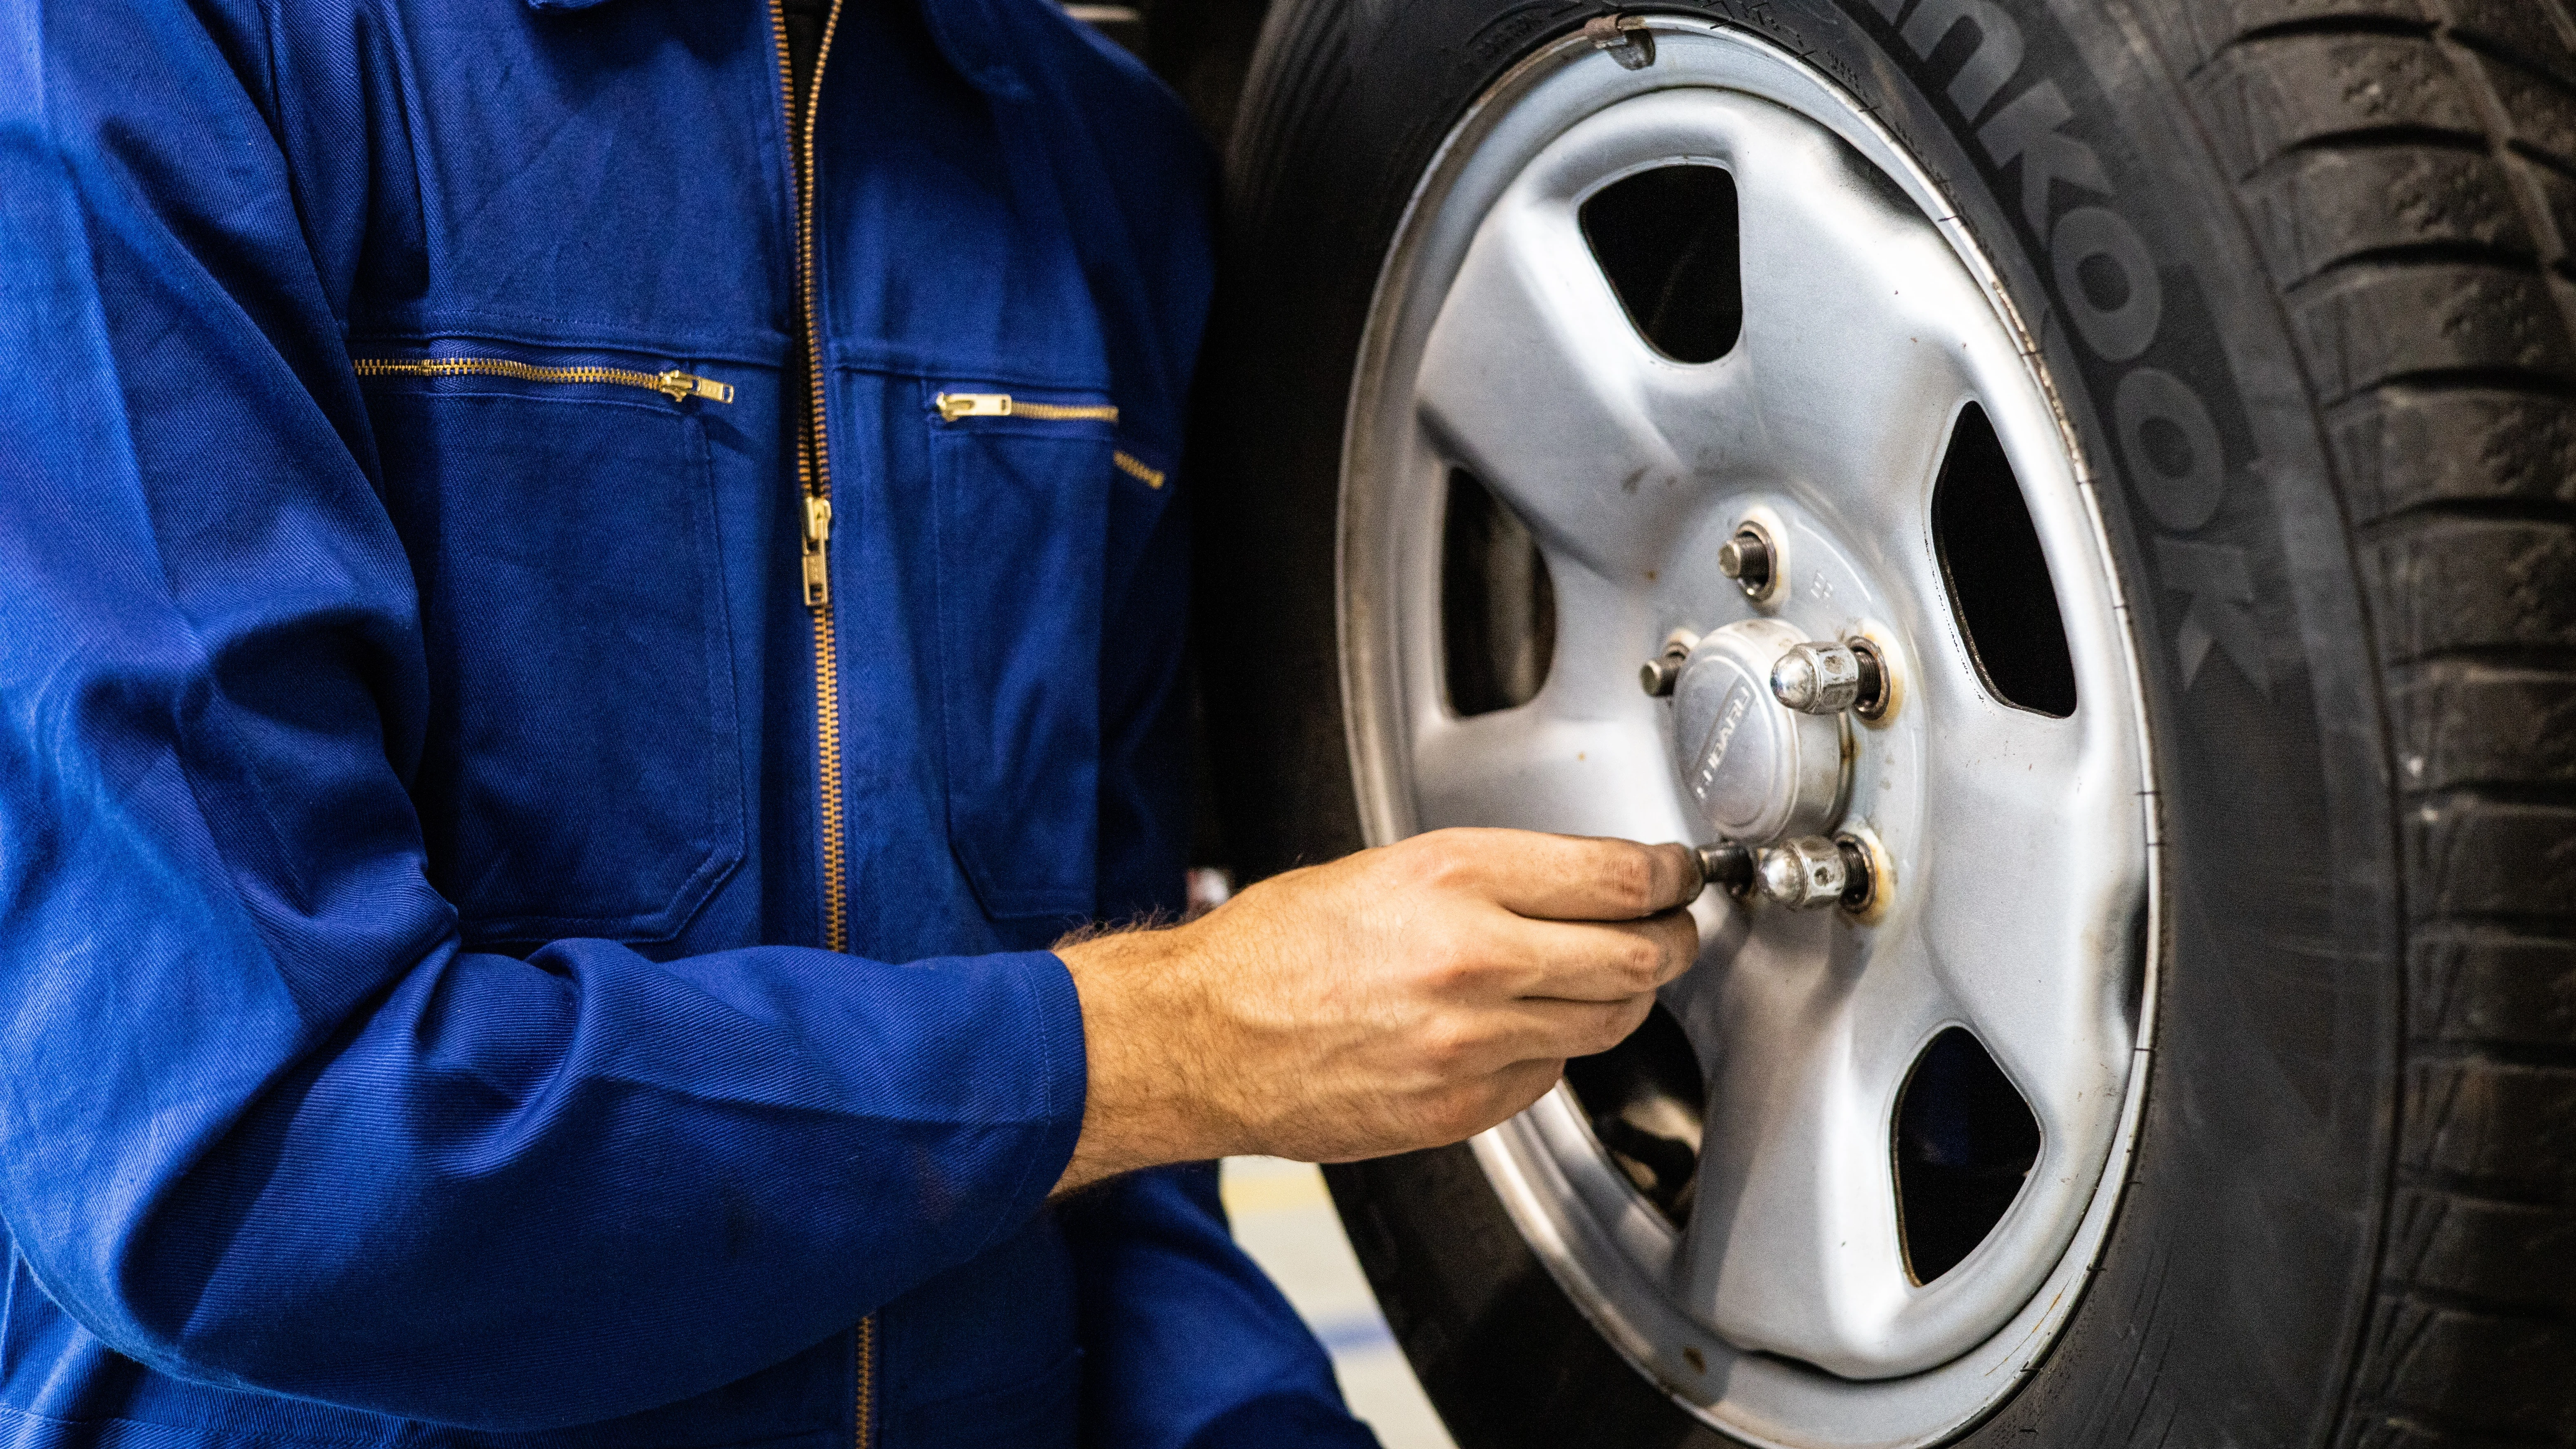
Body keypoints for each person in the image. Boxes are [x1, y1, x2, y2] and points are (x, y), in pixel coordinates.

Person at [0, 0, 1702, 1445]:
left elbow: (1116, 1196)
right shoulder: (149, 56)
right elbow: (249, 1164)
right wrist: (1162, 1040)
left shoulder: (1098, 167)